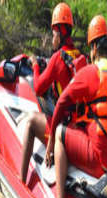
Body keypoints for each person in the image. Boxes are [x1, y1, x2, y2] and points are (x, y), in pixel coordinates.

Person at [46, 15, 107, 198]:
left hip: (99, 161)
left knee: (60, 133)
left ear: (92, 48)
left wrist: (49, 144)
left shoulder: (92, 71)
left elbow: (62, 103)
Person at [20, 2, 86, 183]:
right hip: (78, 131)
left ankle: (21, 180)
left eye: (53, 33)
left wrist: (35, 65)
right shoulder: (81, 58)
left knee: (31, 121)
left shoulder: (57, 58)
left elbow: (39, 87)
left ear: (59, 33)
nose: (52, 38)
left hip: (62, 130)